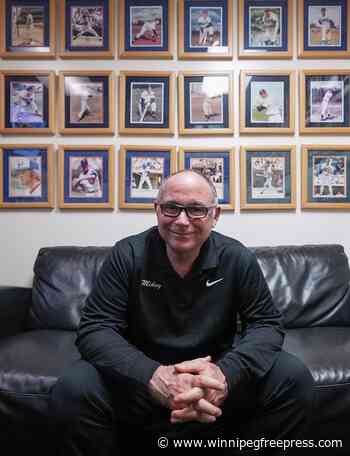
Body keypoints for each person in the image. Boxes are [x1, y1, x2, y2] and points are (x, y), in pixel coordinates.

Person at [50, 170, 314, 455]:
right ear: (156, 210)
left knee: (293, 376)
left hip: (215, 382)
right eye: (171, 208)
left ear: (215, 214)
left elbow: (266, 325)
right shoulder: (127, 255)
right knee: (73, 387)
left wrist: (224, 375)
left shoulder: (237, 258)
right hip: (141, 380)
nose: (182, 220)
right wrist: (153, 376)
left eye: (196, 210)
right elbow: (95, 328)